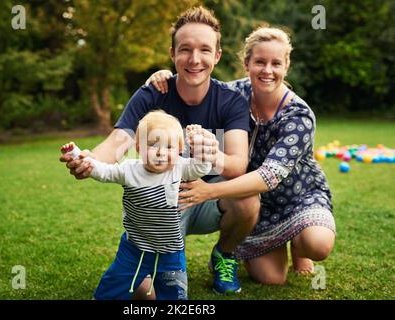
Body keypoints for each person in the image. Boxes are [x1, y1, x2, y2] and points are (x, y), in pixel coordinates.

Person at [60, 6, 255, 295]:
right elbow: (118, 143)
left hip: (206, 197)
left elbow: (238, 164)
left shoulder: (231, 101)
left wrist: (210, 154)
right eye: (185, 49)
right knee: (143, 292)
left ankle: (224, 255)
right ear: (173, 53)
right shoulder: (152, 94)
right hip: (159, 206)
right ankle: (147, 262)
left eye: (204, 49)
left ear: (217, 55)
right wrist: (89, 160)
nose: (194, 59)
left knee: (248, 198)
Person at [147, 26, 336, 285]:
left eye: (275, 63)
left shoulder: (299, 116)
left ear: (286, 66)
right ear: (247, 63)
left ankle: (300, 246)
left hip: (298, 196)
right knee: (272, 279)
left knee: (317, 244)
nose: (267, 71)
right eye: (259, 62)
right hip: (254, 200)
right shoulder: (232, 94)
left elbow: (270, 176)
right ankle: (248, 244)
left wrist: (209, 192)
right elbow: (196, 81)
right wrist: (165, 76)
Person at [61, 111, 213, 300]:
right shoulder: (129, 169)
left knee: (174, 295)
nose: (160, 152)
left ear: (180, 149)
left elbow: (201, 167)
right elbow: (103, 171)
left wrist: (201, 147)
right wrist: (78, 155)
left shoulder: (180, 167)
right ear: (139, 148)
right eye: (152, 144)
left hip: (171, 250)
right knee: (112, 287)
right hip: (134, 248)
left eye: (169, 147)